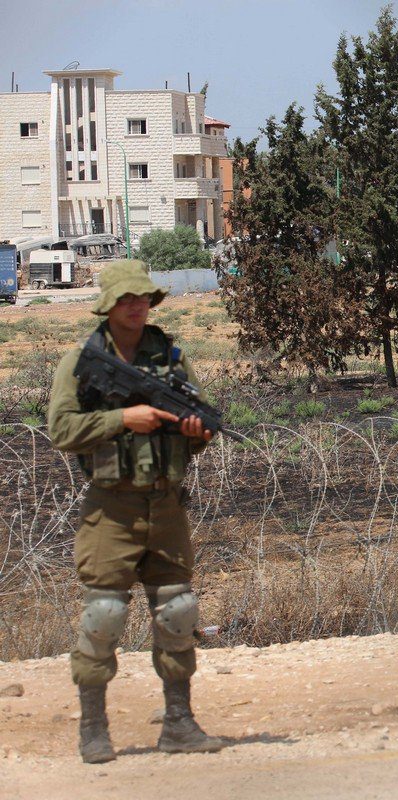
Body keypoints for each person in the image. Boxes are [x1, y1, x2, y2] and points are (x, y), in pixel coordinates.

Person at [46, 260, 223, 763]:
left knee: (178, 612)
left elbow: (198, 426)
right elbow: (61, 430)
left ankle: (179, 725)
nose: (135, 305)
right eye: (126, 298)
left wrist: (194, 433)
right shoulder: (84, 359)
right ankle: (94, 729)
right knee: (104, 616)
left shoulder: (169, 356)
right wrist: (123, 417)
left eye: (142, 297)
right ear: (109, 303)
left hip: (166, 504)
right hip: (112, 508)